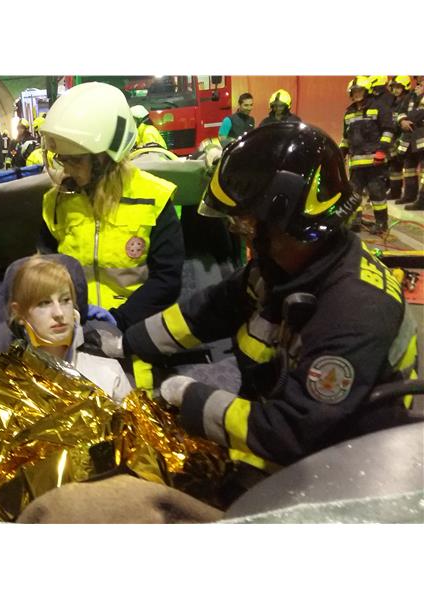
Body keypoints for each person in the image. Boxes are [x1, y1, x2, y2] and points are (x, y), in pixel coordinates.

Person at [124, 122, 419, 477]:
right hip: (284, 429)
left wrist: (192, 399)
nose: (240, 231)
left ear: (288, 222)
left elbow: (293, 431)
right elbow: (209, 310)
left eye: (246, 221)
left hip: (347, 467)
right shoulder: (282, 267)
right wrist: (126, 342)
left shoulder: (356, 311)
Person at [38, 82, 184, 392]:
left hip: (136, 338)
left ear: (106, 157)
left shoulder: (154, 198)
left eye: (75, 160)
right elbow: (45, 273)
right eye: (62, 159)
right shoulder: (55, 203)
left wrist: (119, 319)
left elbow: (168, 280)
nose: (67, 170)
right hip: (72, 336)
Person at [0, 256, 133, 403]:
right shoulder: (4, 382)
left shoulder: (108, 374)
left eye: (65, 300)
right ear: (19, 313)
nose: (58, 313)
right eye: (44, 303)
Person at [339, 76, 394, 233]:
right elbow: (346, 138)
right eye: (354, 91)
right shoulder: (349, 113)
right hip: (356, 162)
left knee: (377, 193)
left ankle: (381, 223)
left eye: (359, 91)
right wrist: (341, 154)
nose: (356, 94)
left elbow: (388, 131)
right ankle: (354, 221)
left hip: (375, 161)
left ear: (367, 91)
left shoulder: (379, 107)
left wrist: (382, 151)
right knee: (354, 193)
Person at [397, 78, 424, 210]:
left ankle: (422, 201)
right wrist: (402, 120)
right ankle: (409, 195)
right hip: (410, 138)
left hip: (422, 137)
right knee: (408, 168)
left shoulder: (418, 95)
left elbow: (418, 115)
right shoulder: (411, 95)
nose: (419, 81)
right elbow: (400, 111)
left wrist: (420, 97)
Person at [388, 76, 415, 204]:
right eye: (394, 87)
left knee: (408, 166)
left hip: (406, 138)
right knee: (394, 166)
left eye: (398, 87)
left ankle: (409, 194)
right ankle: (395, 191)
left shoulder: (408, 100)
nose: (395, 90)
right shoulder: (392, 102)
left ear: (405, 87)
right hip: (395, 139)